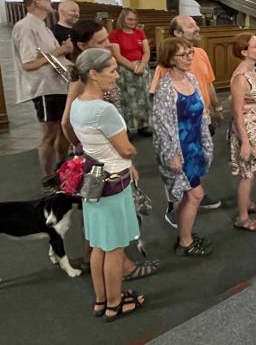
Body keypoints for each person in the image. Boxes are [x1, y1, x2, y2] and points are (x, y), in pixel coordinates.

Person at [62, 20, 159, 282]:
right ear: (83, 46)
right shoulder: (82, 81)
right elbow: (66, 122)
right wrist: (84, 149)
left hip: (108, 147)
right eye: (101, 41)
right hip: (102, 157)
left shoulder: (103, 73)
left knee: (100, 217)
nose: (109, 44)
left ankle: (103, 266)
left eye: (108, 38)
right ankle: (117, 269)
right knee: (103, 220)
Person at [69, 48, 145, 320]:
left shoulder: (78, 104)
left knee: (99, 245)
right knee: (114, 248)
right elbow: (125, 149)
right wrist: (131, 152)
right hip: (113, 181)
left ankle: (101, 300)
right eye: (111, 70)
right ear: (93, 73)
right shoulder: (104, 110)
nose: (117, 75)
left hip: (93, 180)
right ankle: (115, 303)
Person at [150, 15, 223, 224]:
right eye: (190, 26)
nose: (196, 28)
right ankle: (174, 206)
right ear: (177, 33)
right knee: (178, 172)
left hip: (198, 118)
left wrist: (216, 107)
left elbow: (208, 82)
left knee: (196, 163)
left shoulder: (201, 53)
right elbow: (157, 102)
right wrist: (168, 145)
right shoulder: (165, 67)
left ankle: (194, 191)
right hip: (179, 126)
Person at [153, 38, 213, 256]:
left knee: (187, 196)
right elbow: (160, 126)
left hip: (194, 146)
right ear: (170, 59)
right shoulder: (165, 88)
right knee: (196, 195)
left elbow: (201, 110)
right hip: (179, 150)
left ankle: (184, 234)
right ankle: (185, 243)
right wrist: (172, 154)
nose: (189, 58)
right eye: (184, 54)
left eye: (190, 53)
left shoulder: (191, 78)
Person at [11, 0, 73, 176]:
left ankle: (63, 170)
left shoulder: (43, 26)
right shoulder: (26, 27)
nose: (50, 1)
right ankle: (48, 177)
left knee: (63, 129)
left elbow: (48, 55)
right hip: (45, 87)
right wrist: (61, 50)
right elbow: (29, 63)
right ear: (36, 1)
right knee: (50, 133)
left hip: (58, 85)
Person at [229, 34, 256, 232]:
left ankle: (246, 203)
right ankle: (243, 218)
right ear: (244, 52)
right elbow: (237, 112)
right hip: (245, 130)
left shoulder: (251, 70)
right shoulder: (240, 77)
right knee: (246, 174)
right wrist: (245, 142)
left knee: (252, 170)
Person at [109, 8, 152, 136]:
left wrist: (142, 65)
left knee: (144, 97)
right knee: (127, 99)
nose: (132, 22)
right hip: (125, 68)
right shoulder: (115, 35)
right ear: (122, 19)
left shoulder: (140, 33)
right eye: (129, 19)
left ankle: (144, 125)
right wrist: (134, 68)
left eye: (134, 19)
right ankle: (128, 127)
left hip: (142, 67)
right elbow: (117, 55)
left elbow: (146, 52)